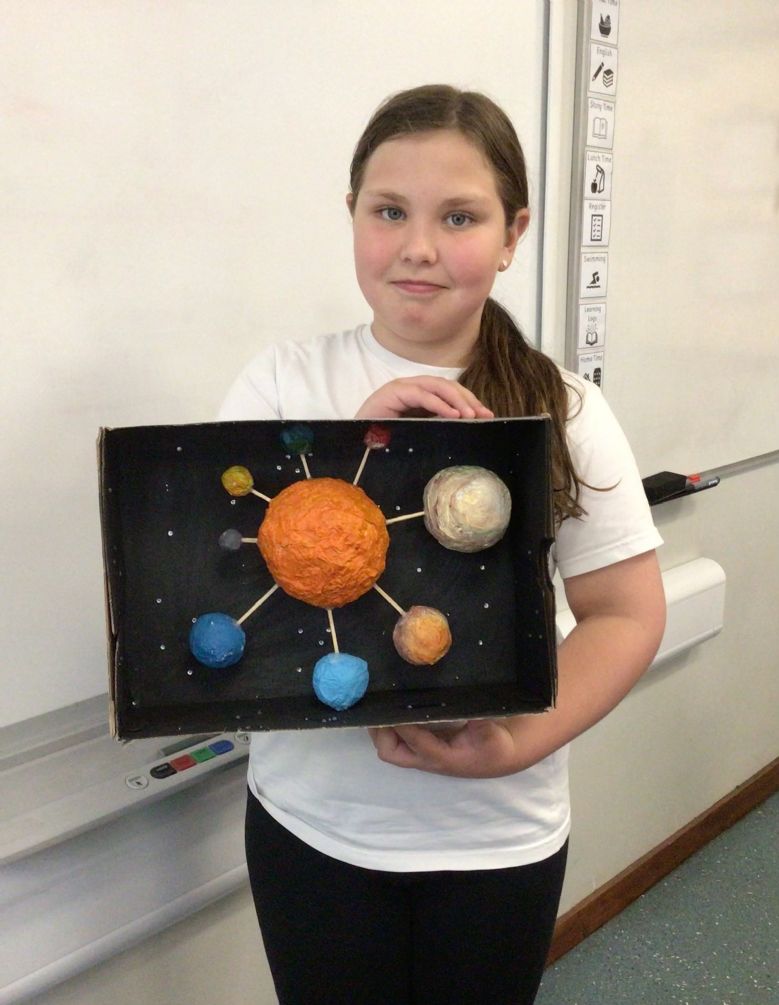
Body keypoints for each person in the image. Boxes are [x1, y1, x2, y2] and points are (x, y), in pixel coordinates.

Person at [219, 84, 666, 1005]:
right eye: (389, 211)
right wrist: (348, 453)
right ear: (352, 215)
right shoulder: (281, 384)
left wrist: (512, 745)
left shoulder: (565, 409)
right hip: (314, 829)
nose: (418, 246)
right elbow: (228, 590)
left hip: (494, 838)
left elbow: (625, 614)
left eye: (458, 216)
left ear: (511, 234)